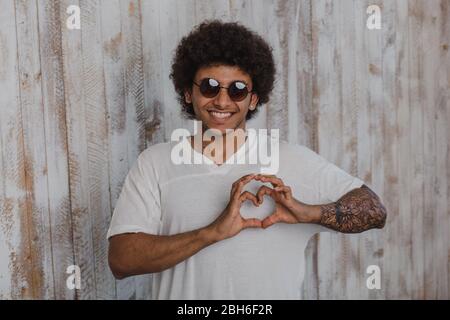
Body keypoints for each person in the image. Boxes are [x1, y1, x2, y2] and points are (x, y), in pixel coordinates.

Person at [107, 20, 387, 299]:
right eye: (210, 86)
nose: (222, 101)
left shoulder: (292, 160)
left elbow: (374, 211)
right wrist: (211, 232)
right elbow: (121, 261)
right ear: (188, 93)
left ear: (253, 99)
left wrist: (308, 212)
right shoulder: (155, 163)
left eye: (237, 89)